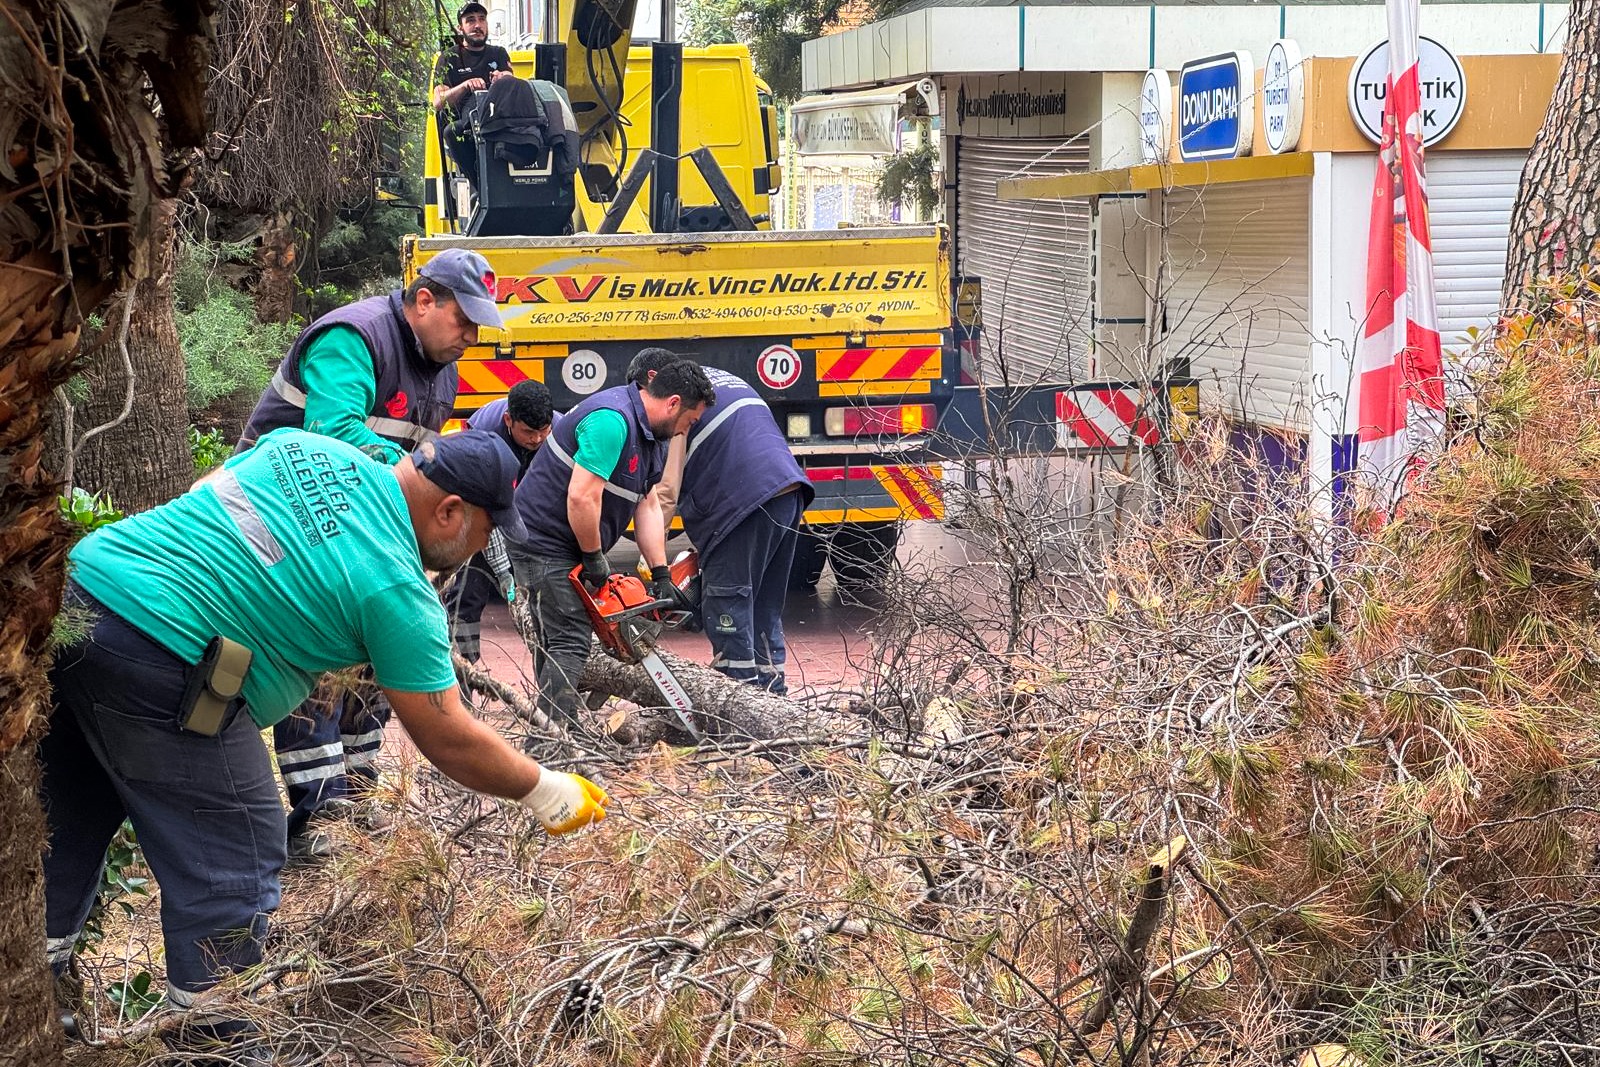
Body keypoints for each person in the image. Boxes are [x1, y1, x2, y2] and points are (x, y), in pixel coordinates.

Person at [44, 429, 607, 1063]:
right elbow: (448, 736)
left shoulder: (308, 448)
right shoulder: (394, 585)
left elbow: (210, 493)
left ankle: (31, 995)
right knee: (237, 851)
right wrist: (544, 789)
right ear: (449, 511)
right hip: (162, 654)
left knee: (70, 813)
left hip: (77, 598)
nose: (481, 548)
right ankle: (215, 1044)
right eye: (485, 532)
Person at [237, 245, 500, 862]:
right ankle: (319, 813)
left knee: (371, 666)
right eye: (464, 320)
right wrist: (415, 482)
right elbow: (333, 434)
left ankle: (356, 795)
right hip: (286, 520)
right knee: (318, 668)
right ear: (424, 300)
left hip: (355, 524)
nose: (470, 337)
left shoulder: (442, 369)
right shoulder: (353, 338)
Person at [508, 360, 716, 727]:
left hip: (566, 539)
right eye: (690, 420)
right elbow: (582, 497)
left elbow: (647, 503)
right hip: (541, 539)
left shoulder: (653, 438)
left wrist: (661, 573)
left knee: (557, 639)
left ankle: (557, 727)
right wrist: (594, 557)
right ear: (672, 403)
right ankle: (549, 743)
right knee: (569, 639)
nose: (688, 428)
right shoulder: (611, 421)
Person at [628, 350, 814, 694]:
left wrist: (652, 561)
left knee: (727, 600)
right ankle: (774, 695)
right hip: (788, 491)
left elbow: (665, 491)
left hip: (743, 501)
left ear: (653, 379)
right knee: (764, 603)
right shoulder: (720, 379)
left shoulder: (680, 400)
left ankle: (737, 698)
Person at [444, 380, 556, 661]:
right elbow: (484, 512)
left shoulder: (560, 431)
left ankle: (551, 670)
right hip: (477, 511)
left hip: (532, 511)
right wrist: (504, 571)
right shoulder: (483, 440)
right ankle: (464, 670)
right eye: (529, 432)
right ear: (508, 420)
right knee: (467, 591)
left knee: (550, 595)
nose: (537, 439)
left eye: (543, 430)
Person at [431, 2, 514, 189]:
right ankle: (480, 188)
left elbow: (511, 79)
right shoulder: (448, 58)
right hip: (468, 126)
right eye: (470, 20)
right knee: (451, 132)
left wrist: (502, 77)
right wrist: (465, 86)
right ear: (460, 28)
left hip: (500, 120)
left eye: (482, 19)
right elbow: (438, 101)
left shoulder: (499, 53)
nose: (478, 25)